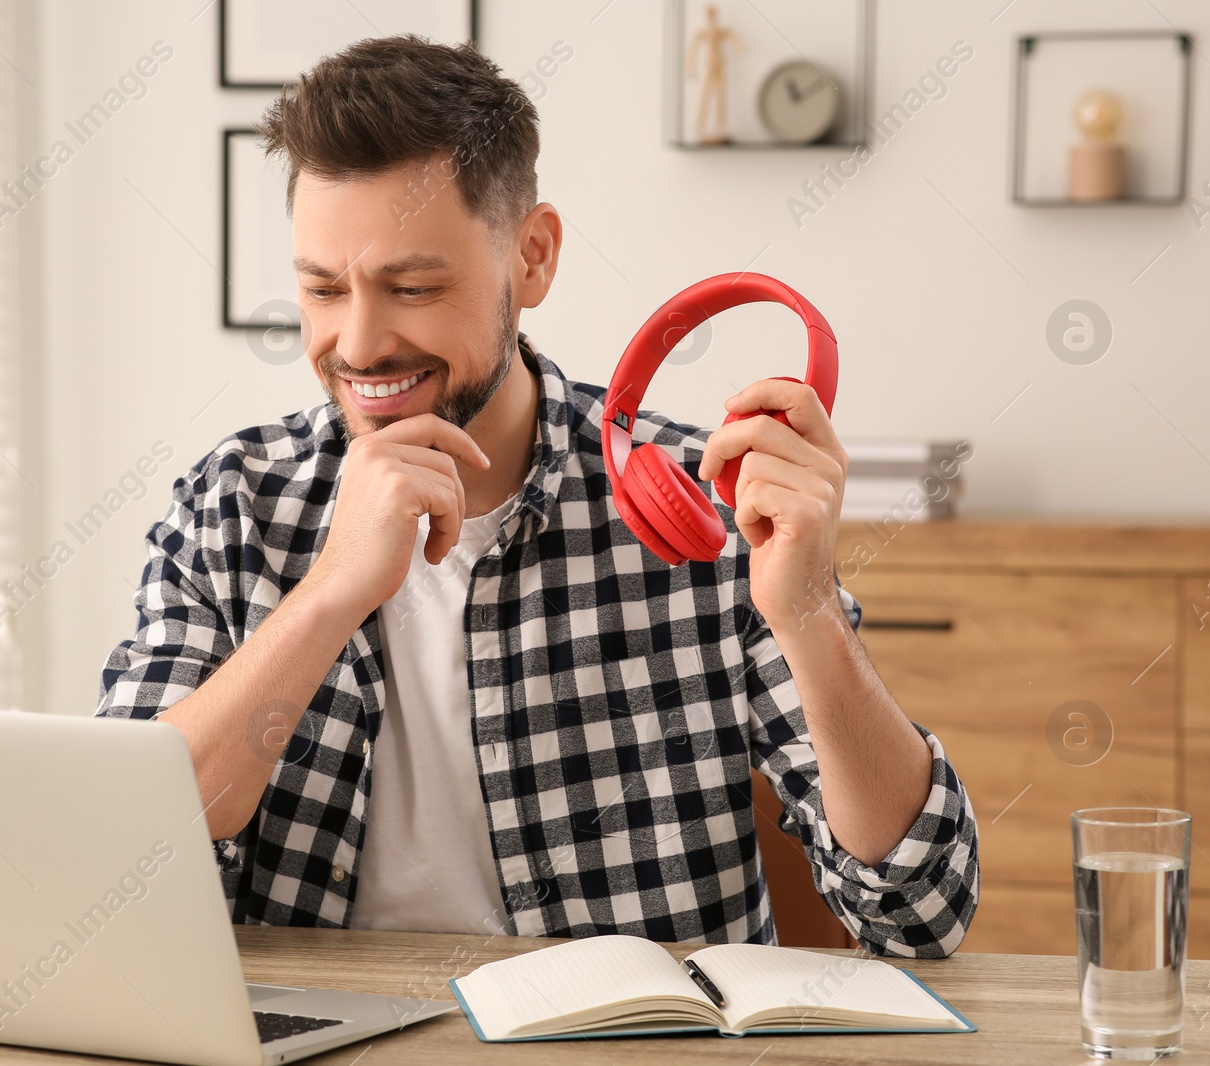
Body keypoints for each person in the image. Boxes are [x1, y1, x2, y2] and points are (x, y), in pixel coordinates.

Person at [97, 35, 978, 956]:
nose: (358, 345)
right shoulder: (236, 504)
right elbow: (123, 863)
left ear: (534, 256)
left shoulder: (705, 507)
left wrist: (807, 614)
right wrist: (330, 593)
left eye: (412, 286)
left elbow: (923, 911)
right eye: (322, 290)